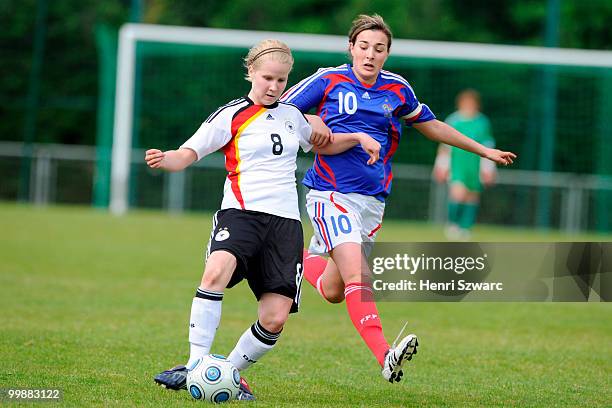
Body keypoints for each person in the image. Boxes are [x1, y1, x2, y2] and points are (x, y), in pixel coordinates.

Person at [280, 14, 516, 383]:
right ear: (351, 48)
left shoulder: (397, 89)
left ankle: (297, 262)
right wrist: (314, 123)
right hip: (329, 193)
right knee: (359, 271)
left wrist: (482, 151)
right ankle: (385, 356)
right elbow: (281, 108)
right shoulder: (328, 80)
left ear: (387, 54)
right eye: (363, 47)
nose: (370, 55)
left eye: (379, 49)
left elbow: (433, 126)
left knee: (333, 289)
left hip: (373, 201)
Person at [145, 39, 381, 400]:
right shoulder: (231, 115)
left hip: (285, 226)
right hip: (241, 215)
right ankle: (194, 365)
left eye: (281, 80)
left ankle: (229, 375)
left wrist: (357, 137)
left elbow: (324, 142)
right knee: (215, 272)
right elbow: (190, 152)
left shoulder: (293, 116)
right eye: (267, 78)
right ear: (251, 72)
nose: (273, 86)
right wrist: (167, 159)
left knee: (275, 317)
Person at [432, 89, 496, 240]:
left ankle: (466, 228)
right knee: (458, 194)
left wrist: (488, 168)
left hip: (475, 164)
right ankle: (453, 224)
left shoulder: (482, 122)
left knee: (472, 196)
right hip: (457, 164)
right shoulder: (453, 120)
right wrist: (441, 166)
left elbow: (488, 145)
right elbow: (445, 146)